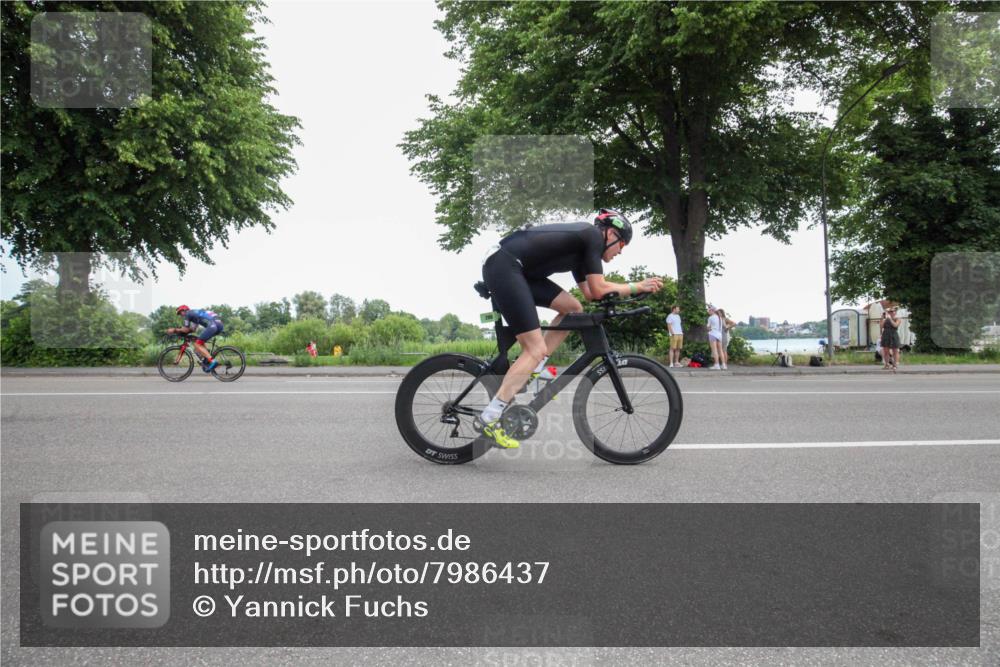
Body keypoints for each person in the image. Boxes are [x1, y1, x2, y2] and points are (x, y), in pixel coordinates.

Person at [477, 209, 663, 449]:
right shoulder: (592, 236)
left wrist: (626, 293)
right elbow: (598, 289)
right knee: (533, 349)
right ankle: (489, 418)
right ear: (610, 234)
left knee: (573, 309)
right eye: (622, 243)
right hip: (506, 265)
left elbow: (589, 294)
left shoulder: (583, 250)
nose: (622, 250)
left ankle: (536, 369)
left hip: (516, 269)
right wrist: (637, 286)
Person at [167, 305, 224, 372]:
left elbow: (185, 329)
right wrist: (180, 330)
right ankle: (207, 358)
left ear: (184, 310)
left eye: (180, 313)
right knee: (199, 341)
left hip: (212, 325)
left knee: (197, 344)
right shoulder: (194, 314)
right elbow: (193, 329)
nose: (181, 315)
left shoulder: (188, 313)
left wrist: (174, 330)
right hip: (219, 324)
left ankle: (212, 361)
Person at [881, 306, 901, 371]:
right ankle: (886, 364)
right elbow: (881, 326)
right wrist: (882, 318)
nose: (890, 313)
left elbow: (895, 325)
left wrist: (890, 319)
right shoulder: (886, 319)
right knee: (885, 351)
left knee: (895, 351)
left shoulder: (897, 319)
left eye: (892, 311)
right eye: (889, 312)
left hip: (893, 334)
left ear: (895, 312)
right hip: (886, 334)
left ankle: (895, 365)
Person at [707, 304, 724, 370]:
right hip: (719, 335)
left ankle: (716, 364)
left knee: (714, 350)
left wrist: (709, 329)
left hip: (713, 334)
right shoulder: (720, 317)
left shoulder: (710, 318)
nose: (708, 311)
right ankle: (723, 365)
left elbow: (708, 327)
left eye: (709, 310)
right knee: (720, 350)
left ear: (712, 310)